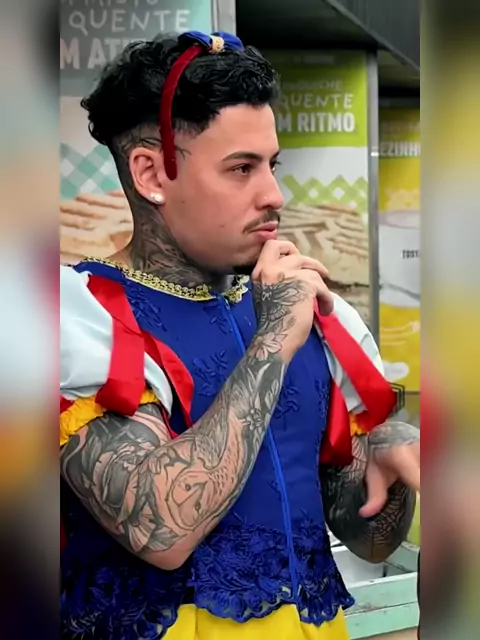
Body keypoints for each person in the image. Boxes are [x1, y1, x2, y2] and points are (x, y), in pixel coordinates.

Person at [60, 31, 420, 640]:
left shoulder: (311, 310)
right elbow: (160, 530)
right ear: (151, 173)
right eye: (241, 169)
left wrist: (388, 459)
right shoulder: (81, 314)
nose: (275, 196)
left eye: (271, 166)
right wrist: (274, 339)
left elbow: (368, 539)